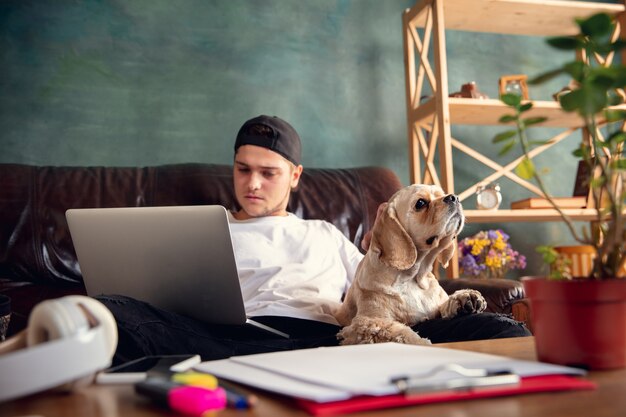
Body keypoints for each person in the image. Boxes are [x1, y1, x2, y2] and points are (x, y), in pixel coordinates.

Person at [97, 115, 529, 365]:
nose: (252, 184)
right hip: (230, 340)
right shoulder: (203, 228)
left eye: (269, 173)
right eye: (242, 169)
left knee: (496, 327)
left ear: (296, 176)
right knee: (111, 314)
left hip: (323, 341)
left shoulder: (324, 233)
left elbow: (384, 288)